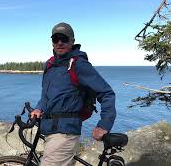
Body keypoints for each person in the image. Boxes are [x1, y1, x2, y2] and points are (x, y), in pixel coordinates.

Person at [30, 22, 116, 166]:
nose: (59, 42)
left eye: (64, 38)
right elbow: (46, 95)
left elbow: (107, 93)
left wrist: (104, 124)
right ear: (51, 42)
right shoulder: (50, 65)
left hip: (65, 133)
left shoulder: (78, 64)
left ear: (72, 41)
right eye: (55, 38)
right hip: (49, 129)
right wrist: (39, 108)